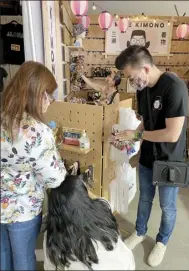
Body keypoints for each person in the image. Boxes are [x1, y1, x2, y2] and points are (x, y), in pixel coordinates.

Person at [114, 45, 188, 267]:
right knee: (145, 199)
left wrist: (136, 134)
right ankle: (139, 231)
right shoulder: (142, 88)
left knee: (168, 207)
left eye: (131, 76)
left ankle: (162, 242)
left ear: (145, 68)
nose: (130, 81)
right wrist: (130, 139)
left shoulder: (174, 88)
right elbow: (145, 123)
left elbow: (172, 134)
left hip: (170, 161)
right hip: (148, 157)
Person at [1, 61, 67, 271]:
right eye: (50, 95)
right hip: (24, 210)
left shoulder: (2, 118)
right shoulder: (37, 132)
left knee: (3, 258)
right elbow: (54, 178)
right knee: (23, 260)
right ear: (38, 94)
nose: (51, 102)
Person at [43, 174, 135, 270]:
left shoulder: (53, 239)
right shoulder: (103, 208)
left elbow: (49, 268)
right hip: (125, 264)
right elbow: (97, 198)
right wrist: (79, 188)